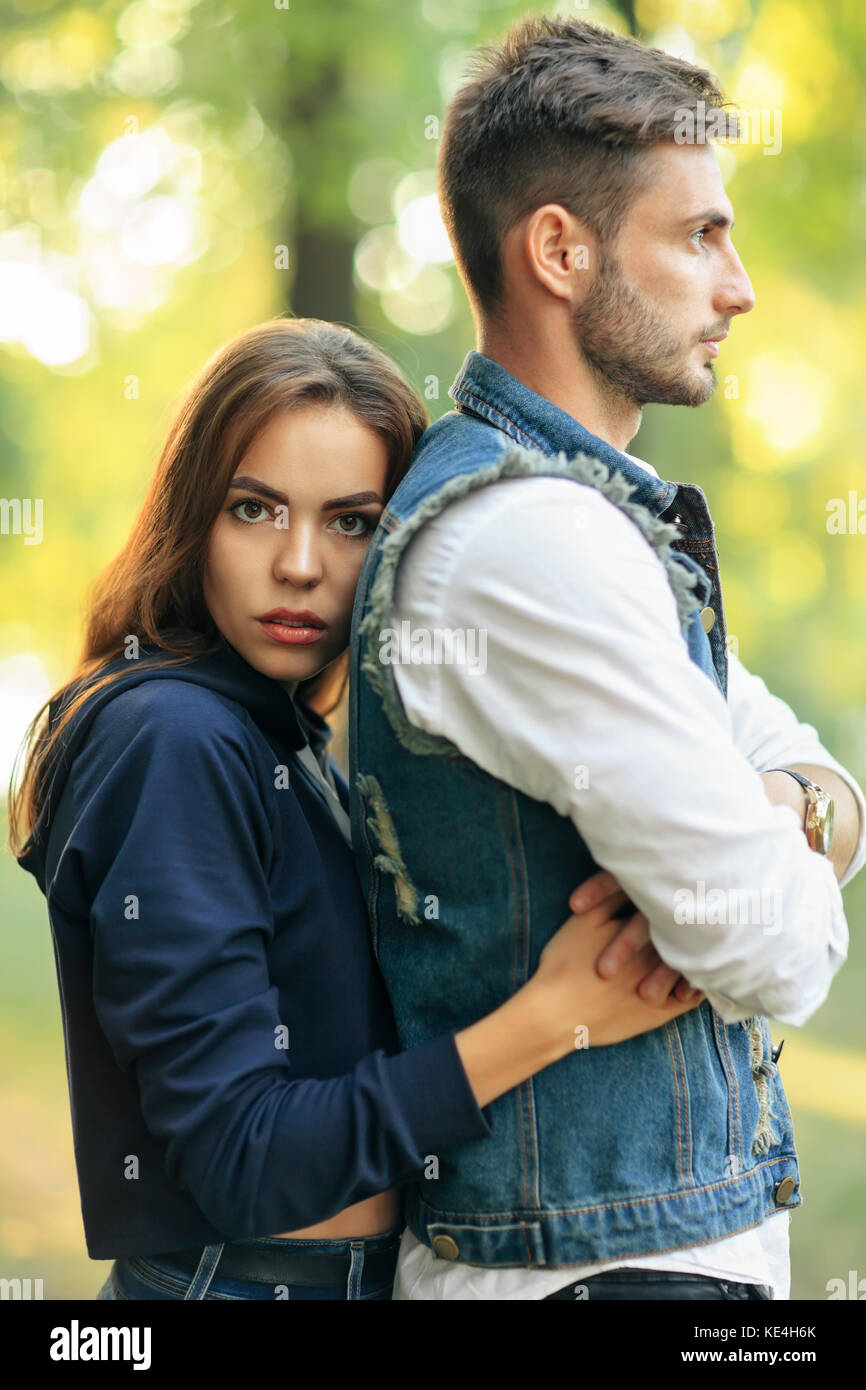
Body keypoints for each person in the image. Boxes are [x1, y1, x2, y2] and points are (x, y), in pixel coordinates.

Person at [8, 316, 705, 1301]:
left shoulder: (275, 735)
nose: (300, 564)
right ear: (191, 518)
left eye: (350, 522)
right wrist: (551, 1017)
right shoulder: (173, 738)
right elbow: (242, 1158)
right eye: (254, 509)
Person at [348, 16, 866, 1300]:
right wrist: (778, 844)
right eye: (698, 234)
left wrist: (783, 807)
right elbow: (774, 953)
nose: (737, 286)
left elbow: (820, 775)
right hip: (597, 1274)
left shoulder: (593, 526)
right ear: (560, 251)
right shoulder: (525, 544)